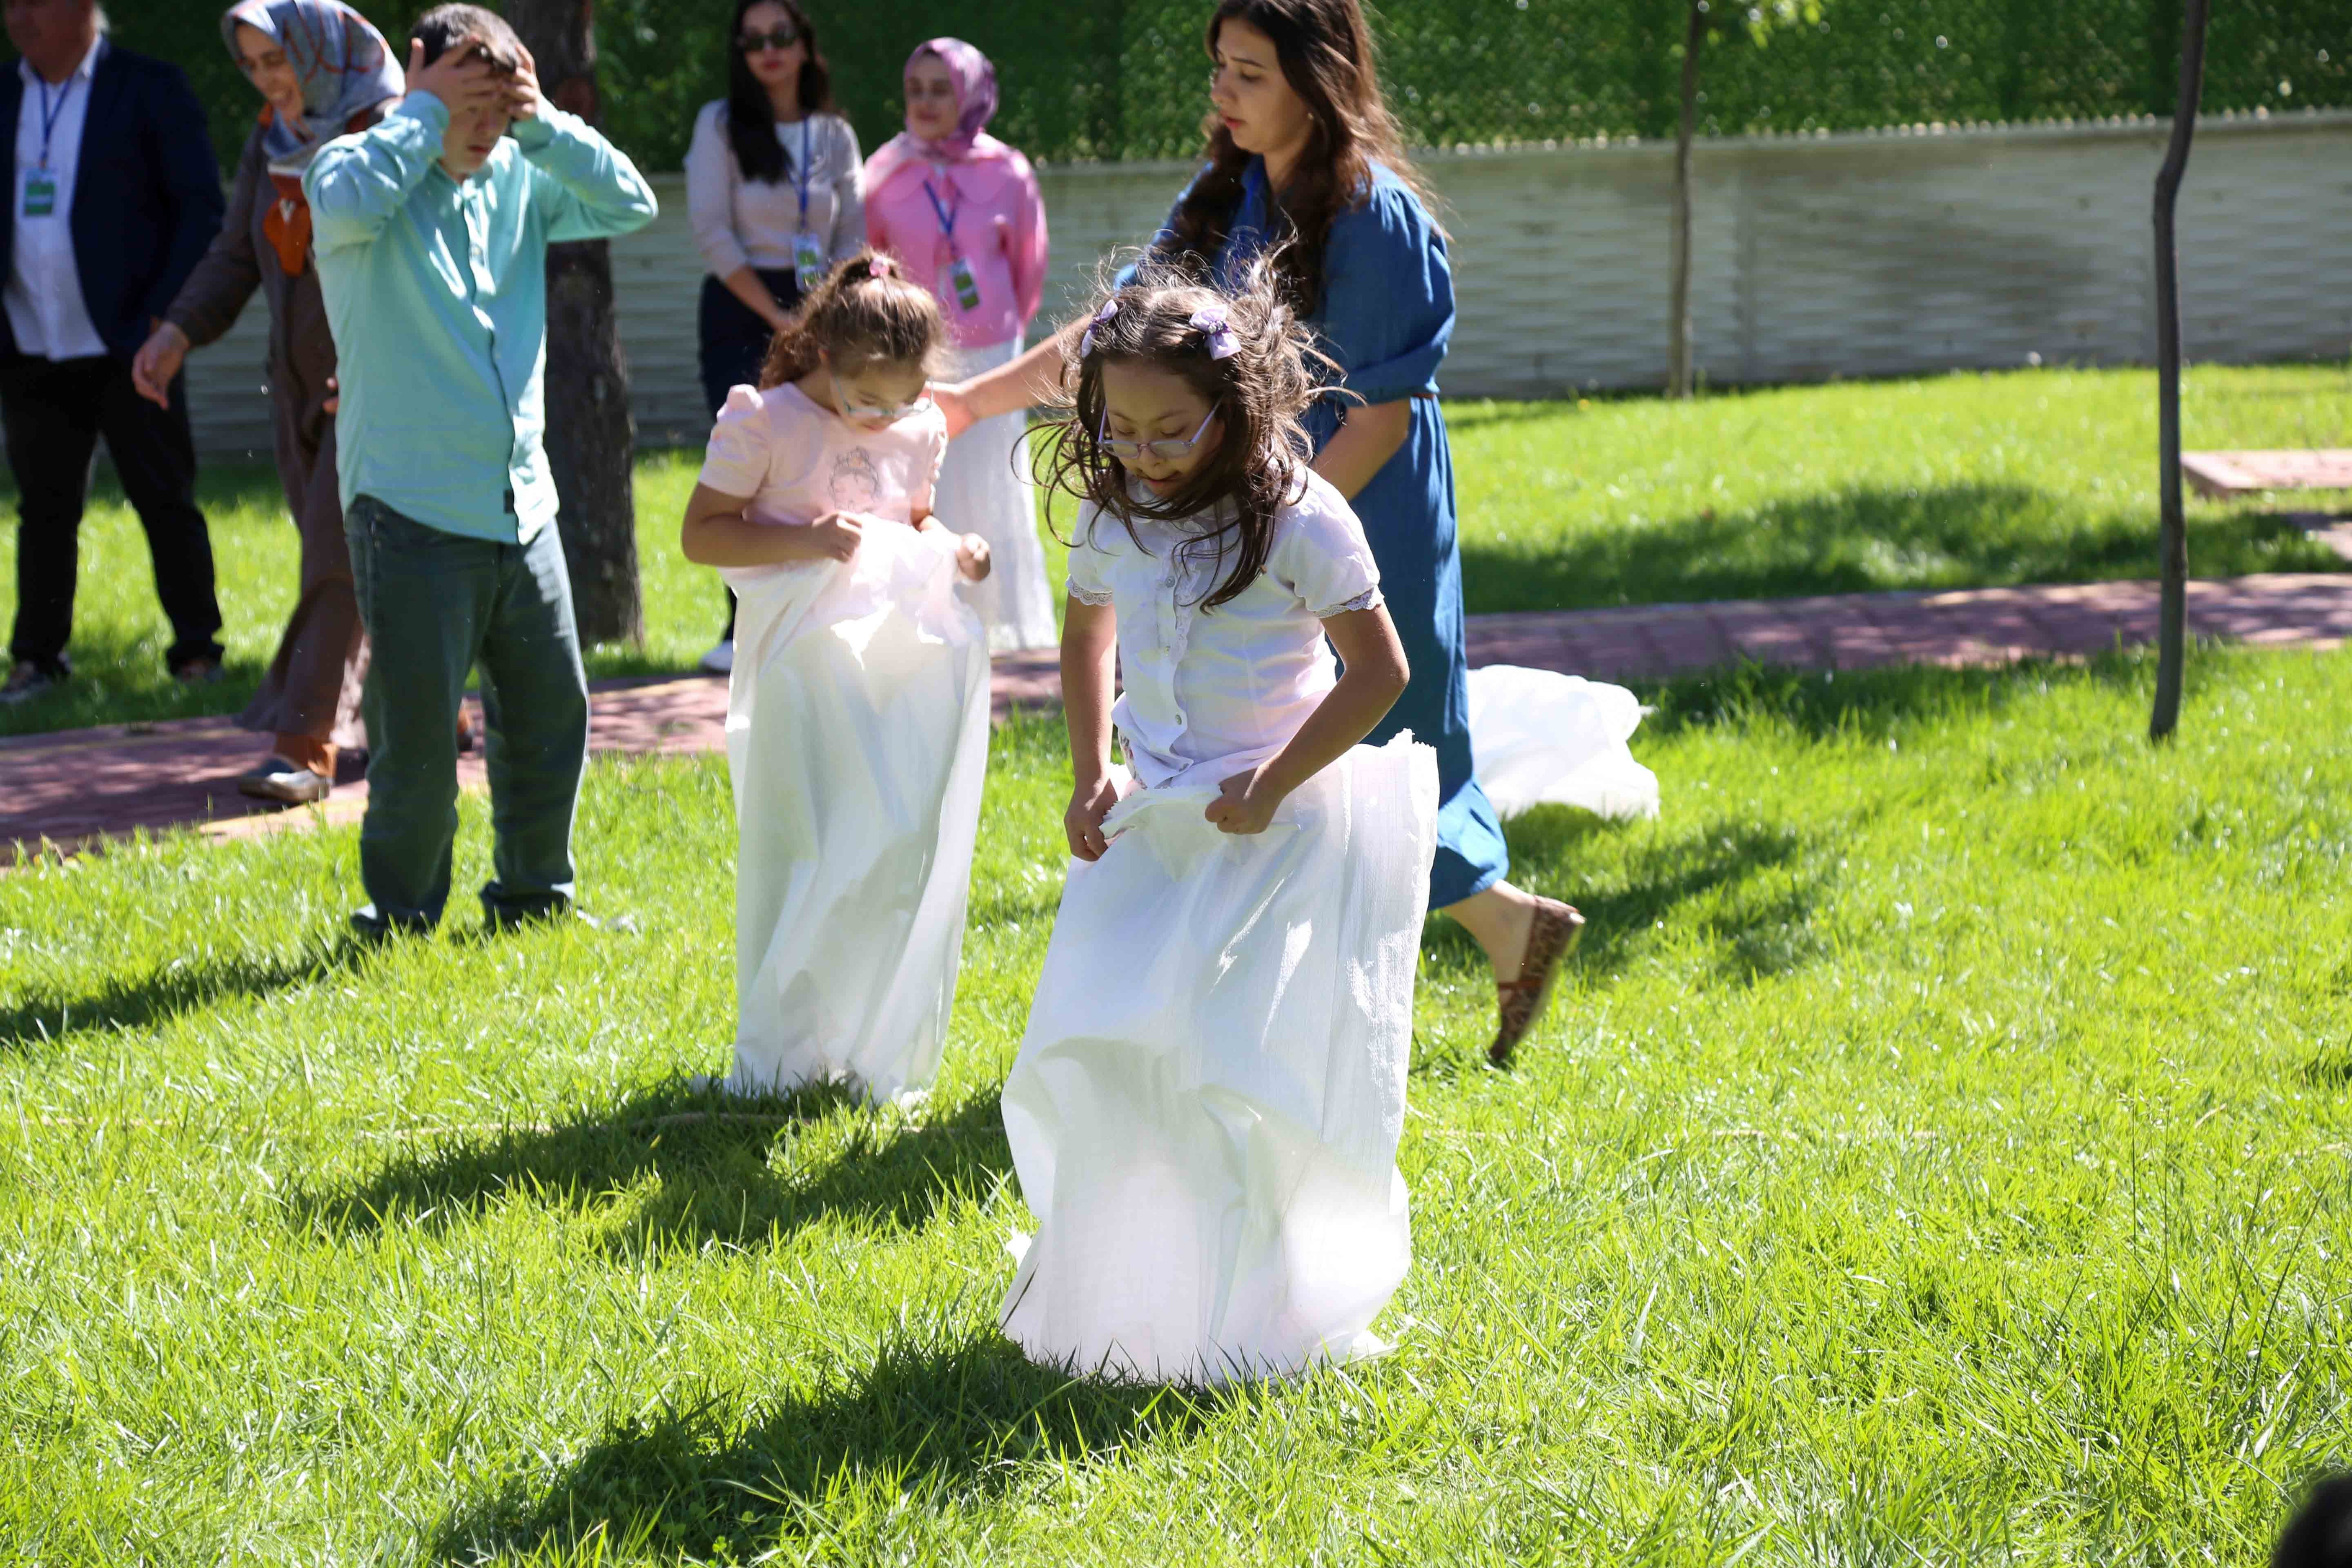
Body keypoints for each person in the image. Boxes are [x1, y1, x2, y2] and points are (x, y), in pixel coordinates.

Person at [935, 0, 1581, 1066]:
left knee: (1368, 750)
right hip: (1234, 511)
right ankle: (1476, 940)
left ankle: (1339, 1009)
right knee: (1254, 751)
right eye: (1220, 70)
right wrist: (972, 403)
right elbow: (1117, 340)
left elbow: (1382, 412)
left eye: (1249, 74)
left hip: (1351, 508)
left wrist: (1267, 544)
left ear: (1317, 82)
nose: (1222, 95)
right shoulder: (1223, 189)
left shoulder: (1375, 217)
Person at [998, 262, 1432, 1383]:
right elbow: (1088, 636)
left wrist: (1276, 784)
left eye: (1172, 433)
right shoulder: (1114, 507)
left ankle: (1259, 1301)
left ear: (1233, 411)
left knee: (1240, 1067)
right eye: (1121, 428)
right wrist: (1091, 771)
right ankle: (1130, 1283)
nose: (1143, 454)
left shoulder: (1299, 518)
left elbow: (1379, 672)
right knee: (1117, 1049)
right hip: (1157, 821)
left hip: (1270, 829)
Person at [304, 3, 656, 935]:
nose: (484, 126)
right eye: (470, 101)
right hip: (410, 509)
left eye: (498, 105)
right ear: (420, 77)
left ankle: (535, 899)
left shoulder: (520, 175)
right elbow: (338, 204)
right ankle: (402, 916)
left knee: (552, 717)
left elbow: (631, 200)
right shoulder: (355, 166)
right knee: (417, 745)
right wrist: (420, 109)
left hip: (523, 506)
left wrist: (542, 123)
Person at [679, 252, 992, 1105]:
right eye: (866, 400)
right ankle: (784, 1050)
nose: (882, 418)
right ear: (819, 353)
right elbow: (704, 535)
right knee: (810, 839)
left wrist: (955, 547)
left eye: (901, 402)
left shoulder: (915, 423)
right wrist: (809, 539)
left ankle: (866, 1038)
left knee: (893, 840)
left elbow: (914, 517)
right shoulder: (766, 421)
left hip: (903, 657)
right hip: (804, 663)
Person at [130, 0, 401, 804]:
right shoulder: (273, 137)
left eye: (276, 59)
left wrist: (383, 357)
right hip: (295, 387)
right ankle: (420, 702)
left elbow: (416, 255)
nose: (266, 79)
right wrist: (178, 330)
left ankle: (304, 744)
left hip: (376, 384)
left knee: (335, 556)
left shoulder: (389, 130)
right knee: (359, 557)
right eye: (252, 64)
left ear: (319, 52)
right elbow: (239, 249)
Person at [0, 0, 225, 705]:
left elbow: (200, 210)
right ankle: (37, 659)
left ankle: (197, 650)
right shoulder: (5, 93)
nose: (18, 18)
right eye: (8, 4)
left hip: (133, 339)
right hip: (31, 337)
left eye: (33, 2)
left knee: (164, 496)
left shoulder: (149, 86)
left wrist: (168, 319)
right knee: (44, 506)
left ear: (81, 8)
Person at [685, 0, 862, 677]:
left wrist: (822, 314)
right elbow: (712, 232)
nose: (769, 50)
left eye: (781, 36)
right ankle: (742, 625)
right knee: (748, 460)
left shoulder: (834, 134)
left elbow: (853, 233)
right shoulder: (720, 125)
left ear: (804, 45)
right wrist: (782, 318)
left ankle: (814, 608)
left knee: (810, 459)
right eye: (753, 40)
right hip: (740, 305)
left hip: (824, 306)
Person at [863, 38, 1055, 654]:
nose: (924, 101)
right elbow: (872, 266)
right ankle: (926, 624)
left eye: (940, 88)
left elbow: (1030, 269)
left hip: (993, 353)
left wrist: (998, 338)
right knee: (924, 487)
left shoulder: (1009, 171)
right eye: (915, 88)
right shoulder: (883, 170)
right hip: (914, 359)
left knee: (996, 485)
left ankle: (1003, 631)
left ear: (970, 94)